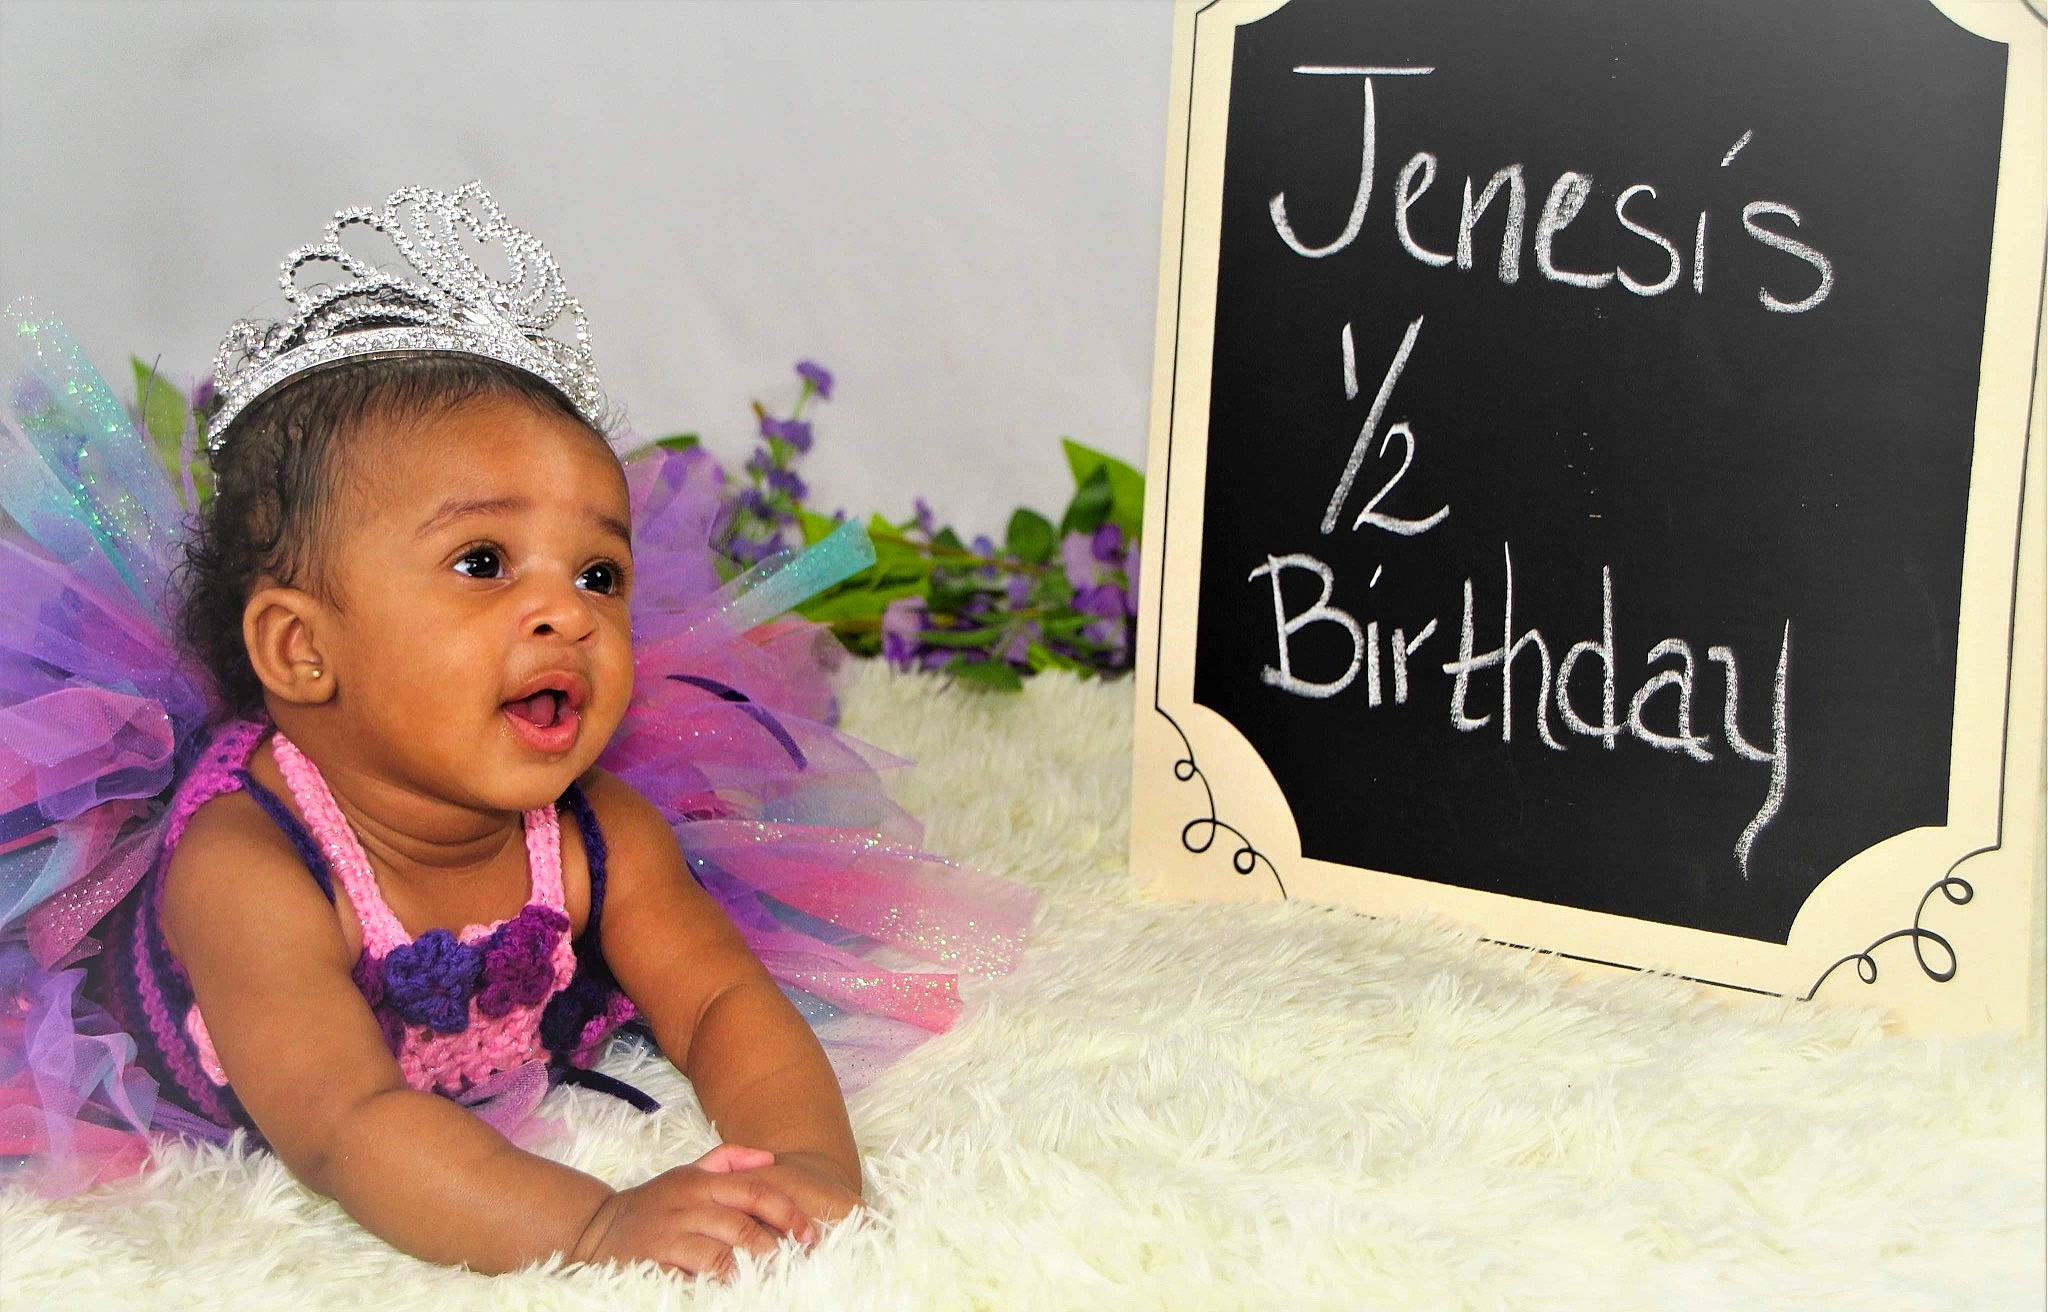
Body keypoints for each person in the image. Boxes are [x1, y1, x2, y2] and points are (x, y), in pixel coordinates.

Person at [0, 182, 1035, 1277]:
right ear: (304, 651)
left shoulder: (600, 834)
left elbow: (725, 1000)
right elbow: (346, 1125)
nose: (566, 612)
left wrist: (812, 1165)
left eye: (600, 573)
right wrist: (592, 1225)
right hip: (254, 1070)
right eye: (483, 563)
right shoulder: (249, 869)